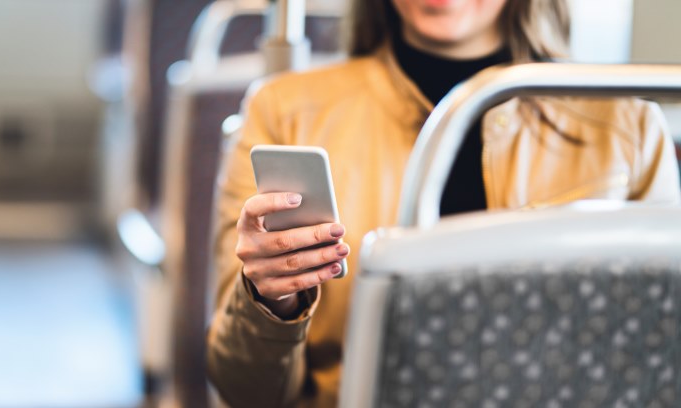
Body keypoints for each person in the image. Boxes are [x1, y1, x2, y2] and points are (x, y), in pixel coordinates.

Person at [206, 0, 681, 406]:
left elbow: (658, 362)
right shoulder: (285, 112)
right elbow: (245, 391)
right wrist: (272, 301)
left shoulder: (626, 126)